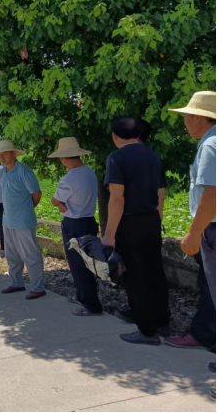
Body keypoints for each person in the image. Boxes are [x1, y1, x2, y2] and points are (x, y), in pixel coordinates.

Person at [102, 116, 169, 345]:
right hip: (151, 220)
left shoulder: (116, 158)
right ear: (139, 135)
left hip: (129, 223)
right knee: (155, 272)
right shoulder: (153, 156)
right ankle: (162, 321)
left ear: (115, 136)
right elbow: (161, 195)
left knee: (134, 276)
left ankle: (146, 330)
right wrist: (155, 221)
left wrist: (110, 234)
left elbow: (117, 199)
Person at [165, 92, 216, 356]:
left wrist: (194, 233)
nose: (184, 121)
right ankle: (205, 335)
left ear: (198, 117)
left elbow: (211, 193)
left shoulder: (210, 145)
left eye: (186, 116)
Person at [48, 137, 102, 316]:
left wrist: (60, 204)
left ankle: (90, 305)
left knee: (78, 265)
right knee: (87, 263)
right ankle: (83, 295)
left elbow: (55, 200)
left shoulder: (68, 179)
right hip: (88, 221)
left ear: (63, 158)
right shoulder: (89, 173)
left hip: (74, 224)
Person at [0, 140, 46, 300]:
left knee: (30, 255)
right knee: (12, 255)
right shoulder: (4, 172)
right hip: (8, 220)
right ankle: (16, 283)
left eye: (5, 153)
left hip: (23, 221)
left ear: (14, 153)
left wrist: (26, 210)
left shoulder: (23, 170)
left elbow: (36, 194)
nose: (1, 156)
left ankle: (38, 287)